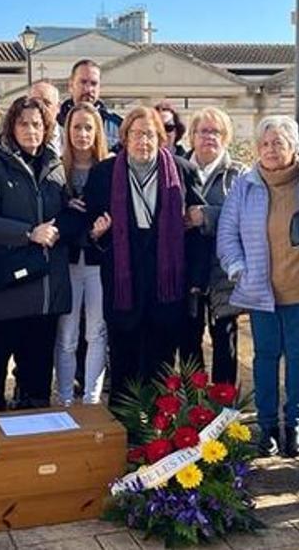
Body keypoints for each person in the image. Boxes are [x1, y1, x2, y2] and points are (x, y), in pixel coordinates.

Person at [83, 106, 207, 406]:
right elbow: (87, 223)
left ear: (161, 138)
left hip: (167, 283)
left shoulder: (182, 171)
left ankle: (158, 433)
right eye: (137, 135)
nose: (143, 142)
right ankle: (125, 429)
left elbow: (199, 230)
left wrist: (196, 280)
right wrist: (95, 234)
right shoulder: (104, 173)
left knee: (161, 363)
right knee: (124, 362)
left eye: (150, 135)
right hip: (123, 281)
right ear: (125, 137)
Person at [0, 96, 73, 412]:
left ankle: (33, 445)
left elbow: (61, 211)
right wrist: (28, 232)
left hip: (44, 293)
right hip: (5, 292)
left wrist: (73, 214)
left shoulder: (56, 165)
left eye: (37, 124)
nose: (31, 130)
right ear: (12, 126)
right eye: (23, 123)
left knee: (38, 382)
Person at [217, 116, 299, 459]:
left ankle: (296, 426)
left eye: (279, 143)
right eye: (265, 144)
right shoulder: (245, 185)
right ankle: (269, 427)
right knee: (265, 358)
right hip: (260, 290)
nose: (271, 150)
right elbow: (227, 234)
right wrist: (237, 267)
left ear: (293, 147)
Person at [181, 107, 246, 384]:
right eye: (203, 131)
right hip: (186, 272)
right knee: (188, 344)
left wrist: (205, 216)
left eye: (215, 131)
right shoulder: (177, 169)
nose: (209, 137)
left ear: (226, 137)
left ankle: (224, 415)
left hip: (223, 274)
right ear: (192, 136)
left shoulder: (239, 174)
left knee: (225, 344)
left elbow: (246, 217)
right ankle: (192, 411)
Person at [55, 103, 111, 405]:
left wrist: (99, 231)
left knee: (96, 332)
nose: (82, 133)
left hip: (97, 262)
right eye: (77, 127)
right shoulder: (56, 167)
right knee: (66, 335)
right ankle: (64, 396)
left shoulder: (109, 167)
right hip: (65, 262)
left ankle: (91, 399)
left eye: (89, 127)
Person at [56, 59, 123, 150]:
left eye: (94, 83)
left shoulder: (117, 126)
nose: (88, 89)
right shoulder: (55, 126)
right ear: (71, 85)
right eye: (83, 82)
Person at [29, 80, 62, 152]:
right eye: (35, 103)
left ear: (58, 107)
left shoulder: (70, 138)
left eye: (46, 103)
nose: (41, 108)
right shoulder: (16, 139)